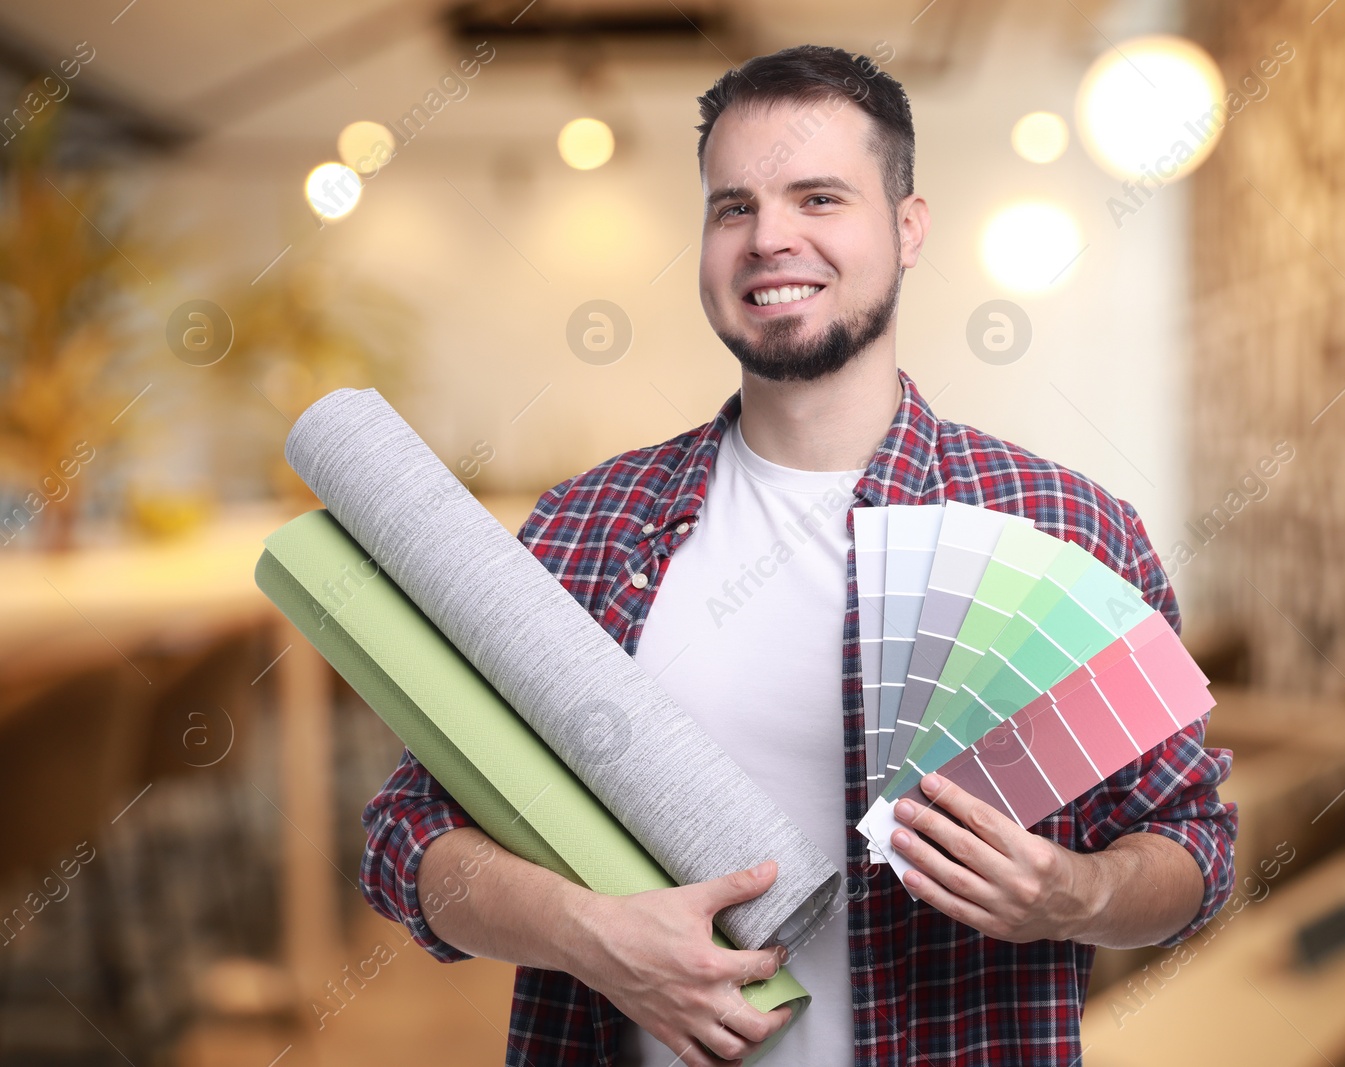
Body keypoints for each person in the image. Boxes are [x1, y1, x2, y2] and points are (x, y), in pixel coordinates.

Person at [359, 43, 1237, 1067]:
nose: (769, 237)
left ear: (908, 230)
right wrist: (588, 934)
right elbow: (405, 837)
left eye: (818, 198)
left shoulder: (1066, 528)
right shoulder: (584, 527)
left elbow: (1194, 849)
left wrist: (1071, 895)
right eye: (733, 207)